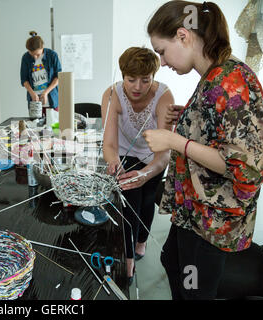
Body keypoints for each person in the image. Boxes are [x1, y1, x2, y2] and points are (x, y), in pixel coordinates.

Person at [144, 1, 263, 299]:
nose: (161, 62)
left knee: (195, 289)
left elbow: (246, 169)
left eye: (161, 51)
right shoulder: (214, 75)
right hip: (194, 210)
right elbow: (220, 130)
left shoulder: (230, 82)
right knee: (171, 260)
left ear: (183, 36)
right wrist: (188, 114)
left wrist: (174, 140)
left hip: (211, 220)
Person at [101, 47, 174, 283]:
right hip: (124, 152)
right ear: (123, 76)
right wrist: (114, 163)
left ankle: (142, 240)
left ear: (154, 76)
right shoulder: (112, 95)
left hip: (154, 156)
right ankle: (129, 258)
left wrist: (146, 173)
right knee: (129, 204)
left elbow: (164, 153)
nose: (138, 87)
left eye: (145, 80)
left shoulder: (164, 97)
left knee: (147, 199)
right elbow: (109, 143)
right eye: (131, 80)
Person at [20, 31, 62, 117]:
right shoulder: (25, 57)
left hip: (52, 99)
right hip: (34, 101)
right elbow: (24, 79)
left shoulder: (52, 55)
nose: (35, 57)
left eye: (37, 54)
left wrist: (46, 92)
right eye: (32, 54)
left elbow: (59, 77)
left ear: (42, 47)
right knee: (35, 127)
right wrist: (32, 93)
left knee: (53, 127)